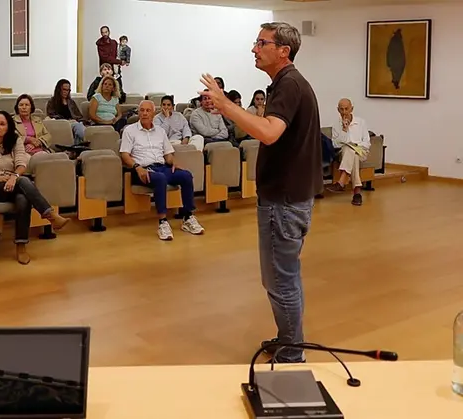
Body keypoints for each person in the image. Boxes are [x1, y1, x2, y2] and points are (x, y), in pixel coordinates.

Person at [199, 22, 322, 363]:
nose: (254, 49)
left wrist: (226, 105)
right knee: (284, 276)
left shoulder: (290, 84)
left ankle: (292, 353)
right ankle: (289, 340)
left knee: (280, 279)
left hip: (284, 200)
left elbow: (268, 132)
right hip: (288, 196)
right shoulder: (287, 83)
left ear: (283, 50)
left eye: (261, 42)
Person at [0, 111, 69, 265]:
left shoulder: (15, 141)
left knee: (23, 198)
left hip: (12, 184)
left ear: (8, 128)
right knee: (23, 182)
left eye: (2, 124)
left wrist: (13, 177)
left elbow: (22, 165)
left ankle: (21, 246)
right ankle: (50, 215)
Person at [120, 100, 204, 241]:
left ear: (154, 113)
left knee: (186, 175)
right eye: (142, 110)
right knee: (160, 179)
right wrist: (137, 167)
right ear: (138, 112)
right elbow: (124, 155)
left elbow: (168, 154)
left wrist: (173, 162)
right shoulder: (130, 131)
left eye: (148, 110)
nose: (144, 113)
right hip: (142, 169)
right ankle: (163, 222)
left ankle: (188, 217)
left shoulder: (160, 131)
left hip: (162, 167)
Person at [326, 98, 371, 206]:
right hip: (345, 153)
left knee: (351, 151)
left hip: (361, 152)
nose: (344, 112)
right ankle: (357, 193)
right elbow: (336, 144)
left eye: (346, 109)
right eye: (341, 109)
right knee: (350, 151)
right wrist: (344, 130)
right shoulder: (336, 125)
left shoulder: (361, 122)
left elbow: (367, 142)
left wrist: (355, 146)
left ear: (352, 109)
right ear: (338, 110)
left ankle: (341, 182)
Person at [46, 79, 86, 144]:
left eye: (68, 90)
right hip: (61, 123)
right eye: (64, 89)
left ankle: (78, 146)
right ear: (59, 89)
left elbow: (78, 115)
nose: (66, 92)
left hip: (73, 122)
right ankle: (87, 140)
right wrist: (65, 120)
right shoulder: (52, 101)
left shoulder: (71, 102)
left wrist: (81, 121)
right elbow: (51, 114)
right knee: (78, 127)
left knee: (79, 126)